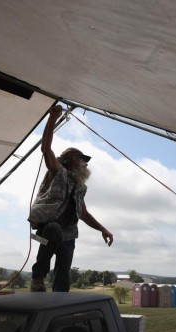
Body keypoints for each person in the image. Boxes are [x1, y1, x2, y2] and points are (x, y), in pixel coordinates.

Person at [28, 105, 113, 292]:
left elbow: (83, 213)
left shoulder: (80, 187)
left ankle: (59, 303)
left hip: (68, 234)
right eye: (83, 159)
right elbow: (45, 148)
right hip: (43, 233)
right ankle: (38, 278)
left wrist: (103, 229)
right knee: (53, 230)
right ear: (72, 160)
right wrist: (52, 118)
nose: (86, 163)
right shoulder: (58, 171)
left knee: (63, 272)